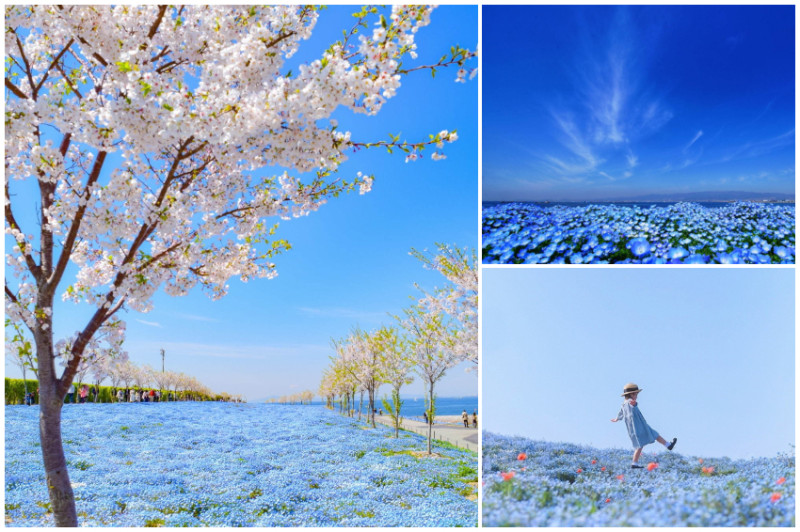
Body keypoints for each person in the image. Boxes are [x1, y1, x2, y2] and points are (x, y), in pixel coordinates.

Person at [611, 383, 677, 469]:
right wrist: (634, 405)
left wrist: (617, 418)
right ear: (631, 394)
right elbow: (632, 407)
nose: (637, 396)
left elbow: (621, 412)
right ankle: (634, 463)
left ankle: (668, 445)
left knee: (654, 434)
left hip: (639, 425)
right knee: (640, 444)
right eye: (636, 394)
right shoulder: (630, 403)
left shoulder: (624, 404)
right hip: (637, 427)